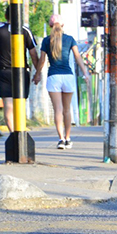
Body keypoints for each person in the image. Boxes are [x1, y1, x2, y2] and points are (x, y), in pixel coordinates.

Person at [33, 14, 90, 150]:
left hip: (54, 77)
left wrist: (37, 75)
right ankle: (68, 138)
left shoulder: (46, 41)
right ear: (62, 25)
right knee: (66, 110)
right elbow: (77, 57)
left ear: (50, 25)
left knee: (57, 110)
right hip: (68, 77)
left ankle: (61, 139)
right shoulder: (70, 39)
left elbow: (42, 61)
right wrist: (85, 73)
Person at [0, 8, 38, 133]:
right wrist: (38, 72)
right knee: (20, 104)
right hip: (21, 72)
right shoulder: (25, 31)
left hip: (3, 71)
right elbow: (33, 54)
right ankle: (20, 132)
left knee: (8, 105)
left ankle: (13, 134)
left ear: (5, 15)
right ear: (20, 15)